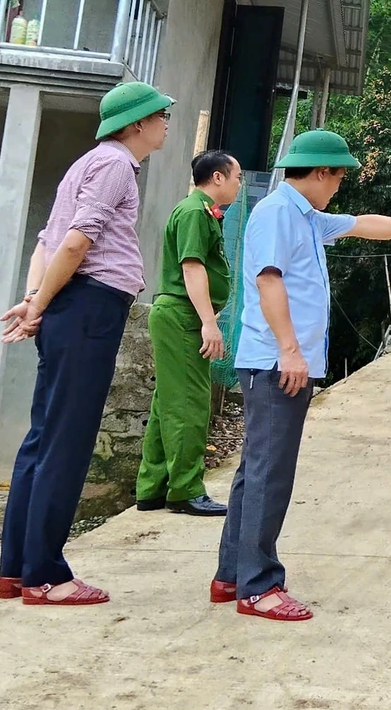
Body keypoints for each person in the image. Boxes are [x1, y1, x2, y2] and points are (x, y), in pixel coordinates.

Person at [213, 129, 391, 621]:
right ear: (321, 172)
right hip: (276, 363)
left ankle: (232, 575)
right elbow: (268, 280)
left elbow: (364, 225)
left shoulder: (305, 215)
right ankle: (259, 586)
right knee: (270, 473)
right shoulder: (277, 213)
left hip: (282, 361)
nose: (339, 187)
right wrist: (290, 351)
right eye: (339, 177)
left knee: (257, 470)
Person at [0, 80, 173, 605]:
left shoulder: (86, 163)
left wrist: (35, 297)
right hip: (88, 306)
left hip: (69, 304)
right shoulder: (115, 164)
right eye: (160, 116)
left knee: (44, 437)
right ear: (137, 124)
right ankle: (46, 576)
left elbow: (46, 242)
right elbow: (75, 243)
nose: (165, 124)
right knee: (67, 443)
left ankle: (18, 570)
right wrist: (40, 304)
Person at [134, 150, 243, 517]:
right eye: (237, 177)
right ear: (217, 177)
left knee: (168, 401)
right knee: (190, 403)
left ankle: (153, 486)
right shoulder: (195, 212)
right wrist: (209, 322)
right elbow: (192, 267)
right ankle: (186, 489)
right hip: (183, 316)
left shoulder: (202, 211)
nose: (239, 184)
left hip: (181, 313)